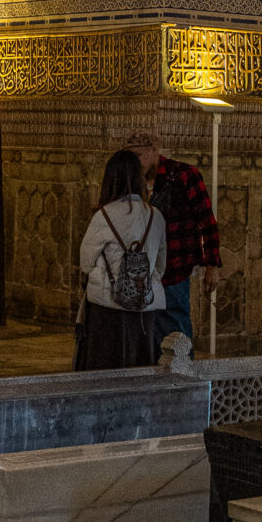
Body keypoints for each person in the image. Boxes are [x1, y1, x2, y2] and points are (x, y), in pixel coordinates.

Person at [125, 127, 221, 346]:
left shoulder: (183, 175)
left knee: (176, 331)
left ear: (152, 151)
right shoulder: (134, 182)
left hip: (174, 270)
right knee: (149, 336)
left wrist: (211, 267)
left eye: (139, 155)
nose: (136, 162)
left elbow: (206, 221)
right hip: (143, 274)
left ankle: (184, 377)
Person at [76, 148, 166, 369]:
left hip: (107, 309)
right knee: (141, 368)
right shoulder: (155, 216)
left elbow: (86, 262)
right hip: (146, 309)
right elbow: (161, 265)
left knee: (105, 371)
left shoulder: (104, 216)